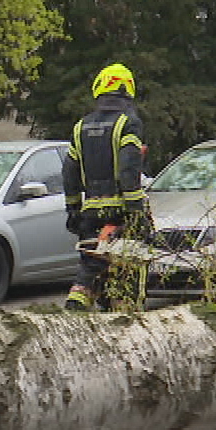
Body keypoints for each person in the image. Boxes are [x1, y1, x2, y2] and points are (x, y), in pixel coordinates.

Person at [62, 62, 151, 311]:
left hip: (90, 212)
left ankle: (76, 307)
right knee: (130, 269)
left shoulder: (81, 126)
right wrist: (135, 211)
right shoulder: (128, 123)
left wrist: (73, 210)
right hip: (120, 212)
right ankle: (125, 316)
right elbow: (128, 167)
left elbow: (69, 171)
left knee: (91, 266)